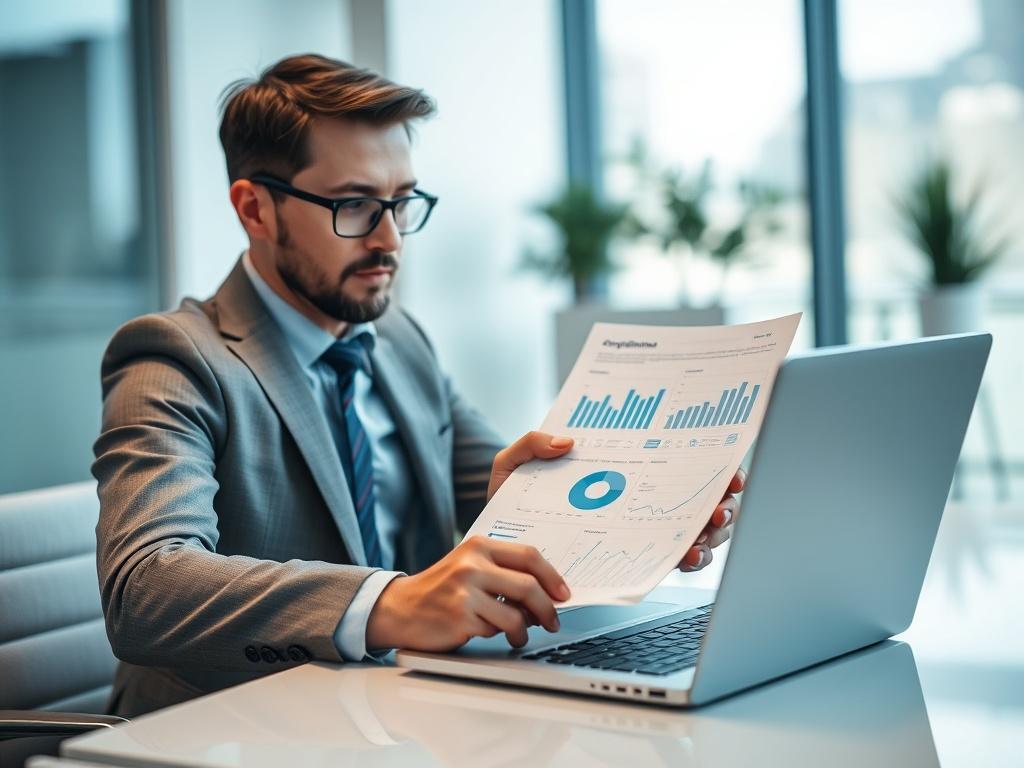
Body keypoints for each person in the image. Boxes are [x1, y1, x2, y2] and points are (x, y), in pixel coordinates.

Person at [92, 54, 743, 717]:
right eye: (353, 205)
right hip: (230, 730)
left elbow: (507, 505)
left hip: (405, 713)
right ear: (255, 209)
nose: (391, 239)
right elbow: (144, 588)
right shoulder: (175, 357)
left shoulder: (398, 340)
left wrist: (644, 518)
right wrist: (393, 602)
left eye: (402, 202)